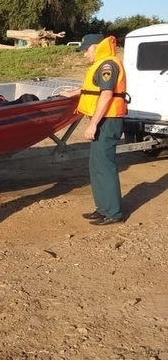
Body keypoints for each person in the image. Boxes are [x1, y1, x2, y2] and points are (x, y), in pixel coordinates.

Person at [60, 33, 128, 225]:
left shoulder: (108, 65)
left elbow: (106, 95)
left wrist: (93, 124)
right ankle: (103, 208)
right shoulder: (102, 64)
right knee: (97, 166)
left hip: (107, 121)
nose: (84, 55)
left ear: (97, 47)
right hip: (104, 120)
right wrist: (73, 92)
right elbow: (93, 89)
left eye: (86, 49)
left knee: (104, 167)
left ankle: (113, 213)